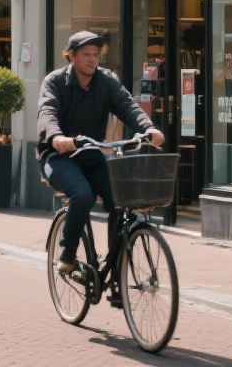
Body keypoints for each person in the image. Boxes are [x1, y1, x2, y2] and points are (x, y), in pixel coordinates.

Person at [37, 31, 165, 277]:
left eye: (96, 55)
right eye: (86, 55)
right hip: (59, 157)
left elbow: (127, 105)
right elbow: (47, 112)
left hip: (92, 155)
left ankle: (116, 266)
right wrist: (56, 138)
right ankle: (67, 254)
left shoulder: (106, 80)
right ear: (71, 57)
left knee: (120, 199)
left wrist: (148, 128)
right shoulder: (54, 82)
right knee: (82, 195)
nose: (92, 60)